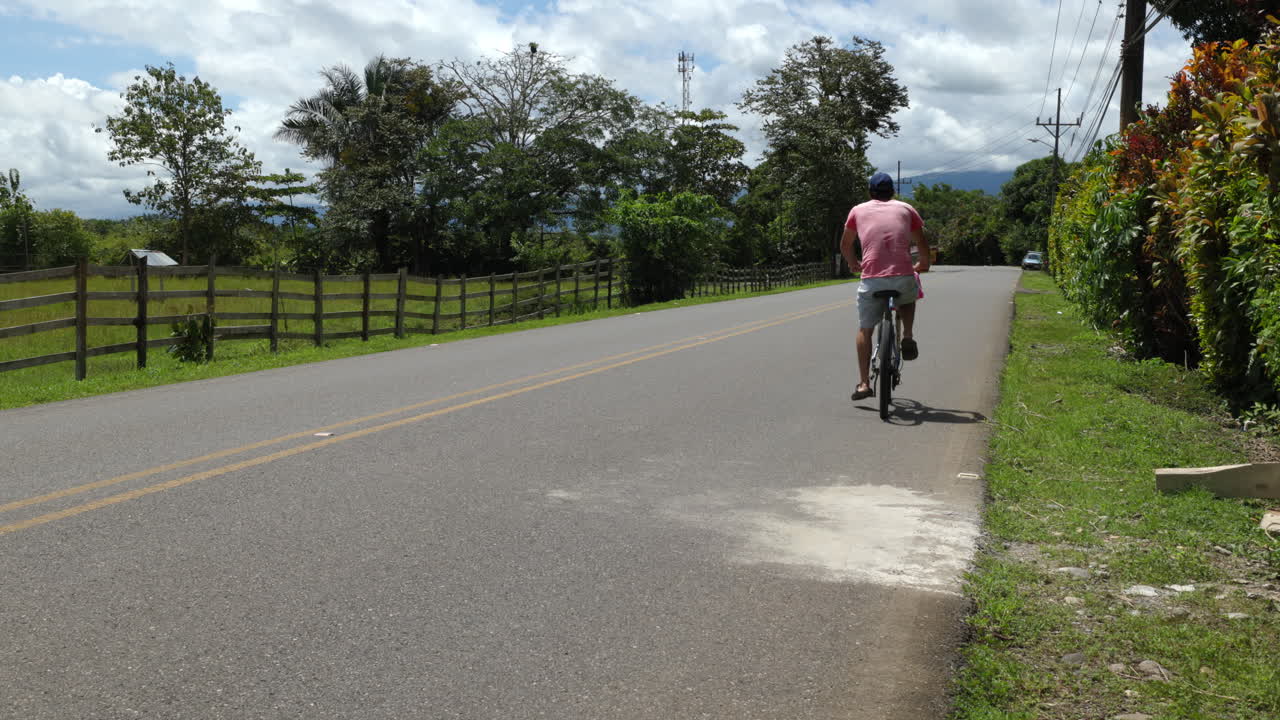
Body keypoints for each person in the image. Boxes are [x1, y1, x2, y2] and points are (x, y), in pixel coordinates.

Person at [841, 171, 930, 401]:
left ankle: (863, 384)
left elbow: (846, 244)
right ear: (892, 191)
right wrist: (923, 263)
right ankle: (907, 335)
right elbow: (921, 241)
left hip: (871, 278)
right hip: (902, 275)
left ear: (870, 192)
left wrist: (853, 263)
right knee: (909, 296)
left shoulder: (857, 210)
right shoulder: (906, 209)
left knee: (865, 329)